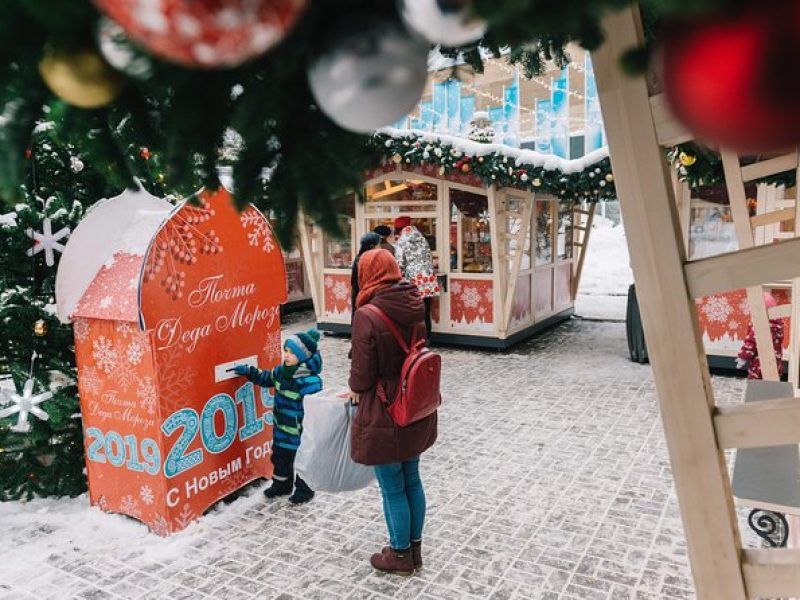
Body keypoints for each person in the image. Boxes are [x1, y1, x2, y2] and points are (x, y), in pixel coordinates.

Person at [348, 248, 438, 576]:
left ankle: (399, 556)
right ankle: (414, 549)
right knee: (411, 477)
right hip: (412, 403)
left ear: (365, 275)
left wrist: (355, 388)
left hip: (385, 410)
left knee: (392, 486)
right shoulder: (414, 300)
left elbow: (361, 376)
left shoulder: (367, 314)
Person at [233, 329, 323, 504]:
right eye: (285, 351)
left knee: (303, 461)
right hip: (282, 429)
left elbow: (315, 406)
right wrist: (250, 372)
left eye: (292, 353)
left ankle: (305, 490)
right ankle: (282, 485)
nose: (287, 356)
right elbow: (266, 377)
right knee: (280, 458)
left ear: (303, 357)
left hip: (301, 432)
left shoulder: (310, 380)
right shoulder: (281, 372)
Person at [394, 216, 440, 339]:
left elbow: (399, 264)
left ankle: (416, 340)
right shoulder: (422, 238)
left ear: (398, 228)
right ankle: (427, 339)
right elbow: (429, 257)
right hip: (428, 280)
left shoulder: (401, 241)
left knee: (414, 313)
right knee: (425, 312)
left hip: (413, 282)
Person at [736, 292, 785, 380]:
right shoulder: (778, 324)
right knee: (772, 382)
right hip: (775, 363)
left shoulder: (760, 325)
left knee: (757, 384)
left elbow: (751, 343)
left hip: (759, 365)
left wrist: (742, 357)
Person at [351, 232, 382, 314]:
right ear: (372, 246)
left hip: (359, 297)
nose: (380, 247)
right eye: (379, 244)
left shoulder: (359, 258)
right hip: (365, 300)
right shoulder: (367, 261)